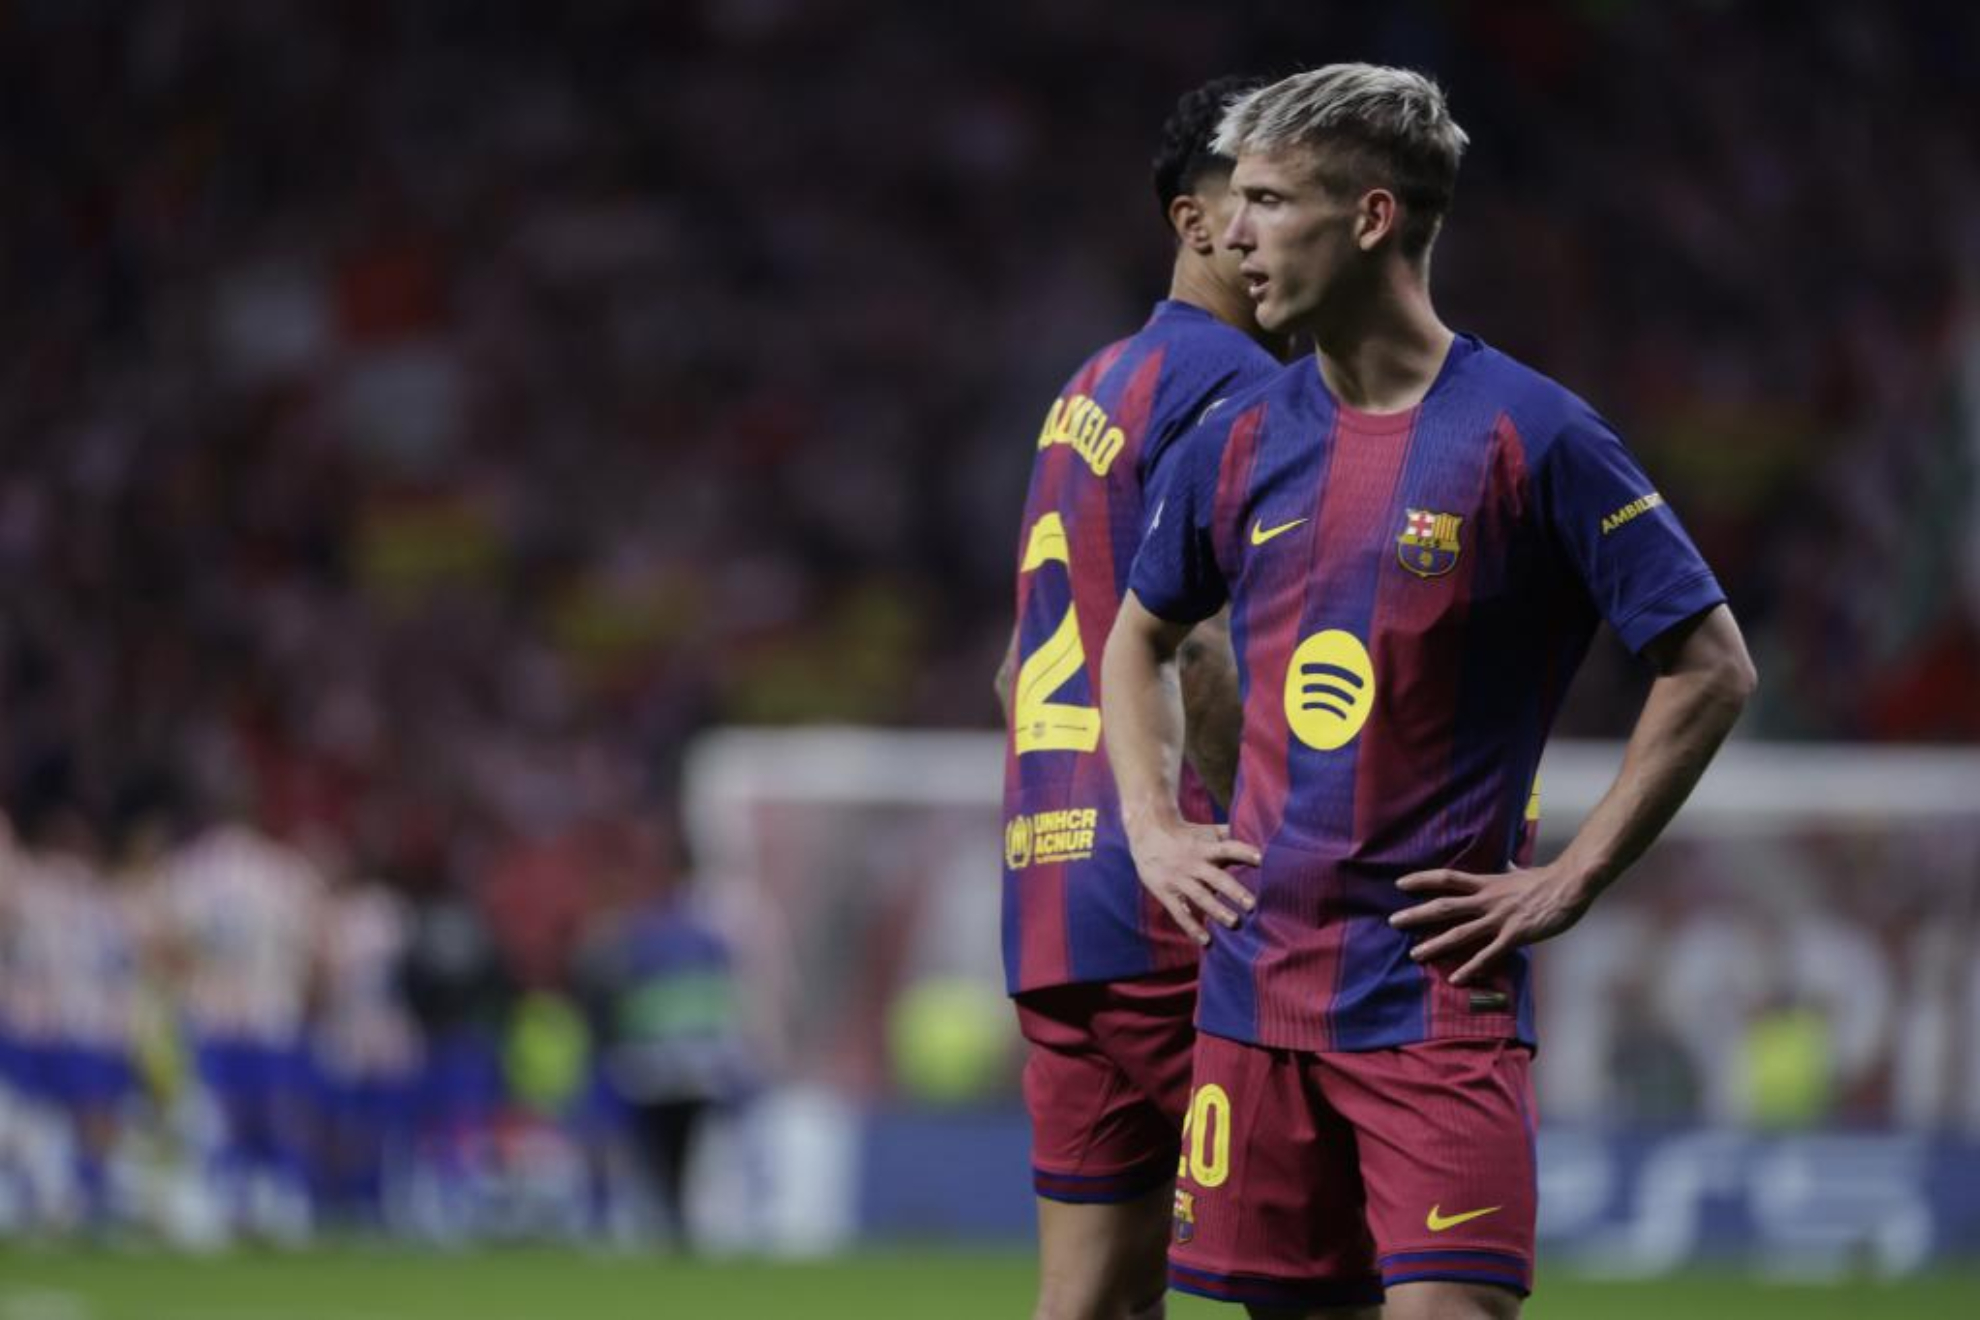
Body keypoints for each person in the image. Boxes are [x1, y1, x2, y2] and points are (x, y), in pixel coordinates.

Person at [1101, 64, 1756, 1320]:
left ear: (1372, 219)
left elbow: (1712, 665)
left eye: (1271, 201)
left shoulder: (1534, 436)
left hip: (1434, 1000)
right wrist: (1152, 822)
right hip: (1254, 990)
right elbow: (1140, 639)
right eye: (1233, 203)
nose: (1233, 235)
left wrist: (1573, 875)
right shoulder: (1238, 437)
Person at [996, 76, 1286, 1320]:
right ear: (1193, 220)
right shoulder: (1234, 384)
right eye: (1263, 198)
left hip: (1050, 884)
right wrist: (1282, 844)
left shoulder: (1088, 390)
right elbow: (1201, 644)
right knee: (1341, 1272)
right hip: (1176, 883)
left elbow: (1018, 667)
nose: (1287, 227)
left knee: (1091, 1303)